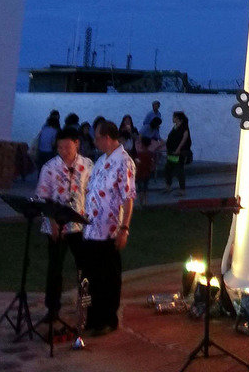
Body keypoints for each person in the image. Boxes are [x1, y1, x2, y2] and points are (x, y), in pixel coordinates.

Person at [80, 119, 136, 336]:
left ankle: (107, 319)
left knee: (108, 277)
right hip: (91, 229)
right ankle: (92, 317)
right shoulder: (102, 160)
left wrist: (124, 228)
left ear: (106, 137)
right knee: (92, 276)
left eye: (97, 137)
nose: (95, 142)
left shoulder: (124, 161)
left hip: (109, 230)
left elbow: (128, 197)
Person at [36, 127, 92, 323]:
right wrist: (52, 222)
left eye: (67, 146)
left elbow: (91, 193)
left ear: (76, 143)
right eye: (59, 147)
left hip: (80, 227)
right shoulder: (49, 167)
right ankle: (52, 309)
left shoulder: (87, 165)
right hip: (56, 226)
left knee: (85, 267)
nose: (63, 150)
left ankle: (86, 306)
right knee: (55, 268)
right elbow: (42, 198)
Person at [164, 110, 191, 196]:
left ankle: (182, 190)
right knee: (168, 169)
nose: (173, 119)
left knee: (179, 171)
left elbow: (184, 139)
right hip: (171, 153)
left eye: (174, 117)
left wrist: (178, 149)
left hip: (179, 153)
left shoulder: (184, 128)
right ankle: (168, 187)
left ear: (178, 118)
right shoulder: (175, 127)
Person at [134, 133, 158, 206]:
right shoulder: (151, 154)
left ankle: (140, 203)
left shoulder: (139, 154)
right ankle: (146, 202)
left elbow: (137, 164)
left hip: (139, 173)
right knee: (145, 188)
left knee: (140, 189)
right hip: (147, 173)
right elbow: (153, 164)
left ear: (142, 144)